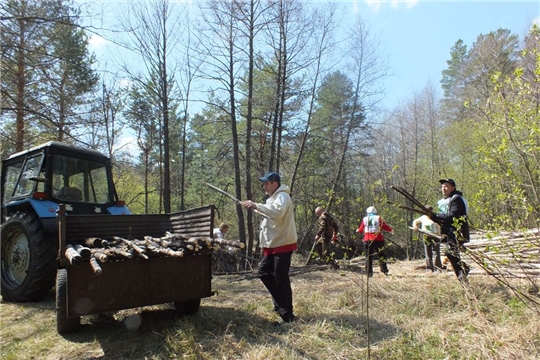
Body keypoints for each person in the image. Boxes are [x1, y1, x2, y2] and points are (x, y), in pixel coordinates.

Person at [242, 171, 297, 323]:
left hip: (283, 243)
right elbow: (270, 216)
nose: (264, 186)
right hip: (273, 244)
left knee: (281, 279)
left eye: (267, 183)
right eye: (264, 183)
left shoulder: (282, 197)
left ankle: (288, 315)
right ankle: (280, 304)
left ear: (275, 184)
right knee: (264, 272)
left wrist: (256, 205)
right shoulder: (271, 199)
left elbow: (277, 213)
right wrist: (255, 207)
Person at [431, 179, 470, 281]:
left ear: (453, 188)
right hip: (451, 232)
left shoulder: (456, 199)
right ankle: (463, 272)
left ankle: (462, 275)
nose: (444, 188)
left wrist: (437, 216)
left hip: (456, 232)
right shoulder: (450, 199)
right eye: (442, 186)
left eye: (446, 186)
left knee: (451, 253)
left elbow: (452, 215)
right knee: (451, 254)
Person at [356, 206, 393, 277]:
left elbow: (361, 229)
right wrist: (390, 230)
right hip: (378, 239)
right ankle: (384, 270)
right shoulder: (378, 218)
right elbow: (384, 226)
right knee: (381, 255)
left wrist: (358, 230)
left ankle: (369, 273)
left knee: (368, 256)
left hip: (367, 239)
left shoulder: (365, 219)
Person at [412, 206, 443, 272]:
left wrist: (440, 235)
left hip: (435, 236)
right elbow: (415, 221)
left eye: (429, 211)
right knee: (428, 252)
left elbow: (439, 226)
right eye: (426, 211)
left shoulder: (435, 217)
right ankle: (429, 268)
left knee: (436, 252)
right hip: (426, 236)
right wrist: (415, 226)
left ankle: (438, 268)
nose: (428, 213)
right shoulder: (423, 217)